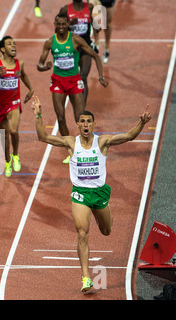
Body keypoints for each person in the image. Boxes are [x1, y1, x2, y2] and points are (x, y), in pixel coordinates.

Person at [30, 95, 152, 293]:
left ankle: (97, 213)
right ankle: (86, 277)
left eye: (89, 121)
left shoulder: (103, 142)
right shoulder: (71, 143)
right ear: (78, 125)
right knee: (81, 233)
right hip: (80, 193)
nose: (86, 124)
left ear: (94, 125)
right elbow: (43, 137)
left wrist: (141, 122)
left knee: (106, 231)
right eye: (82, 121)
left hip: (99, 193)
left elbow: (128, 136)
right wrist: (38, 115)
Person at [37, 13, 108, 163]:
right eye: (58, 24)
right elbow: (39, 64)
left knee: (81, 118)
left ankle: (86, 148)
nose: (61, 27)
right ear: (54, 24)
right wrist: (45, 67)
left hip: (74, 81)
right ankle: (72, 152)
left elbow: (94, 56)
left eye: (64, 24)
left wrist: (101, 76)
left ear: (68, 24)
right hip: (57, 82)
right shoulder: (50, 42)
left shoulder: (75, 40)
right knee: (61, 117)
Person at [0, 36, 34, 177]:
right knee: (4, 136)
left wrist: (30, 89)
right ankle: (7, 162)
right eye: (9, 44)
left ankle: (16, 154)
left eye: (14, 44)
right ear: (3, 49)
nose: (13, 46)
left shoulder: (20, 63)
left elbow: (22, 75)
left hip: (14, 103)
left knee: (13, 130)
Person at [59, 0, 98, 106]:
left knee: (83, 77)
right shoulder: (65, 9)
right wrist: (69, 24)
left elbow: (96, 27)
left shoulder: (90, 7)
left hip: (85, 47)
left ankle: (82, 109)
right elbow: (57, 28)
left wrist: (97, 23)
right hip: (71, 49)